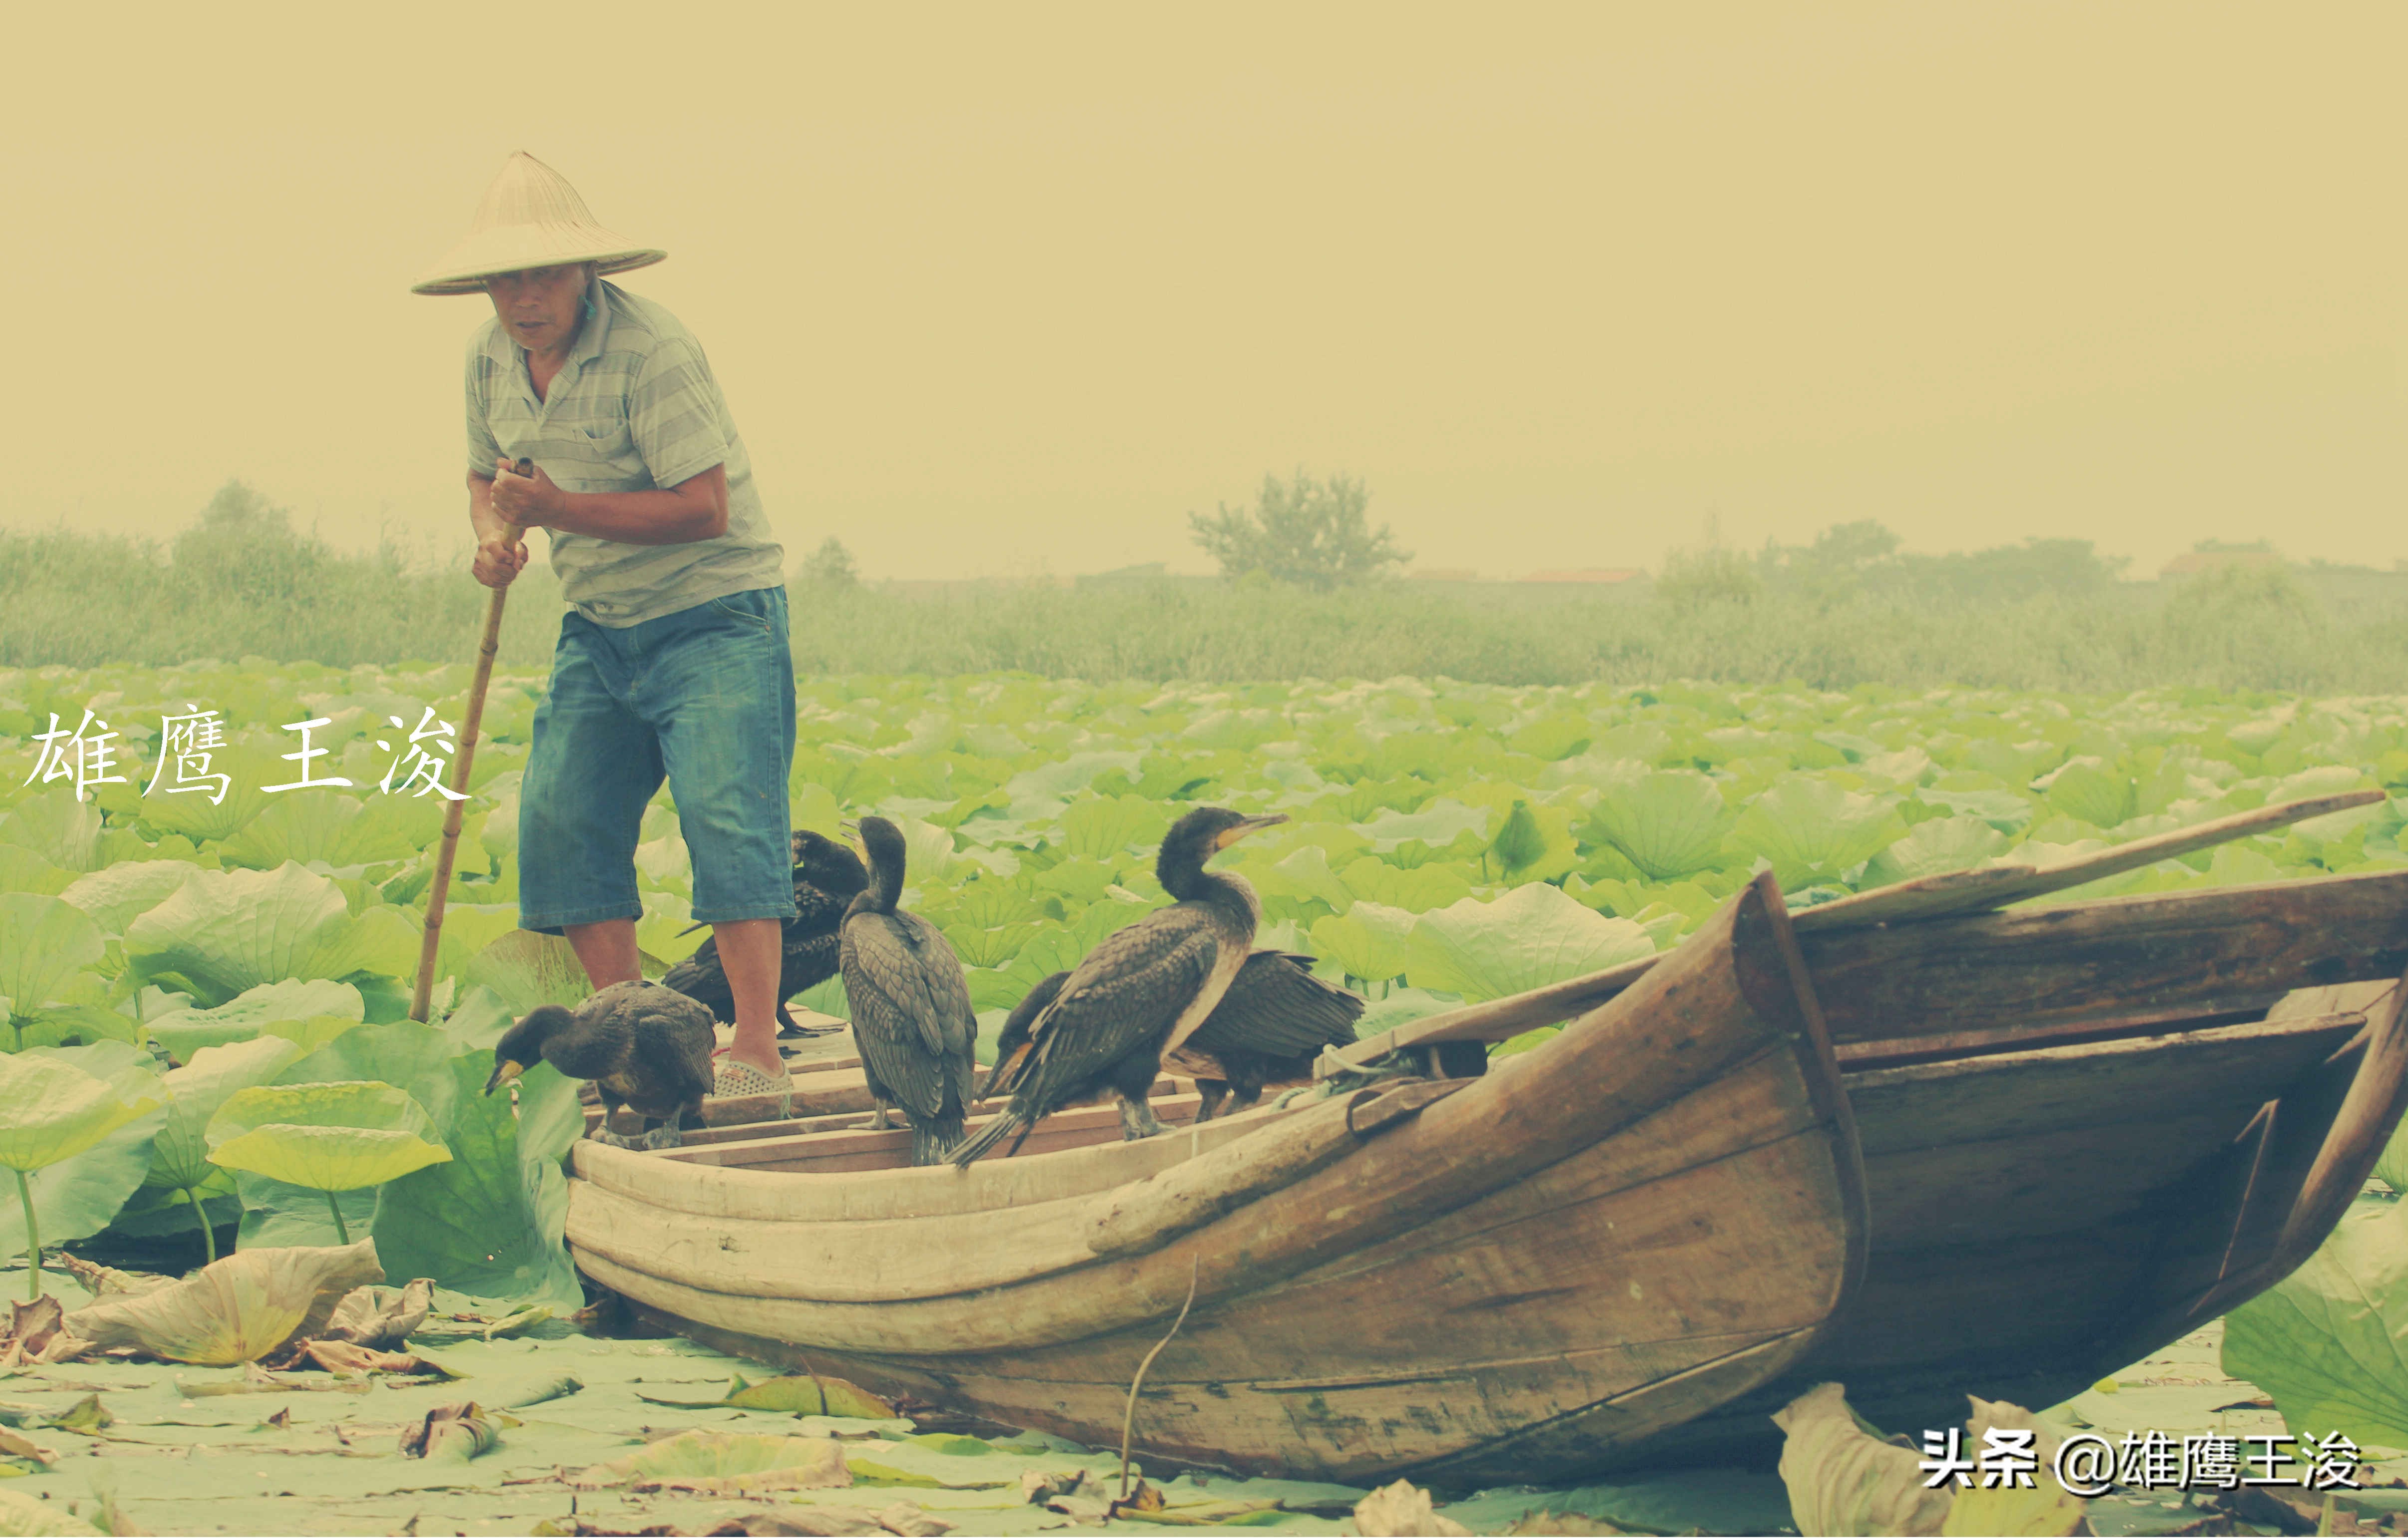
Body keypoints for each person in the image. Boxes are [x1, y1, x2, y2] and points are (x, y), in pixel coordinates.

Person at [412, 151, 797, 1109]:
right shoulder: (487, 358)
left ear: (587, 272)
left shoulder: (651, 352)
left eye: (541, 273)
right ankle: (624, 1027)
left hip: (715, 616)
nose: (522, 296)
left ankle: (755, 1045)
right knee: (559, 818)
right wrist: (496, 533)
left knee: (726, 819)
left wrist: (555, 508)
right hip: (601, 624)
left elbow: (702, 507)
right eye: (505, 277)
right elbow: (482, 477)